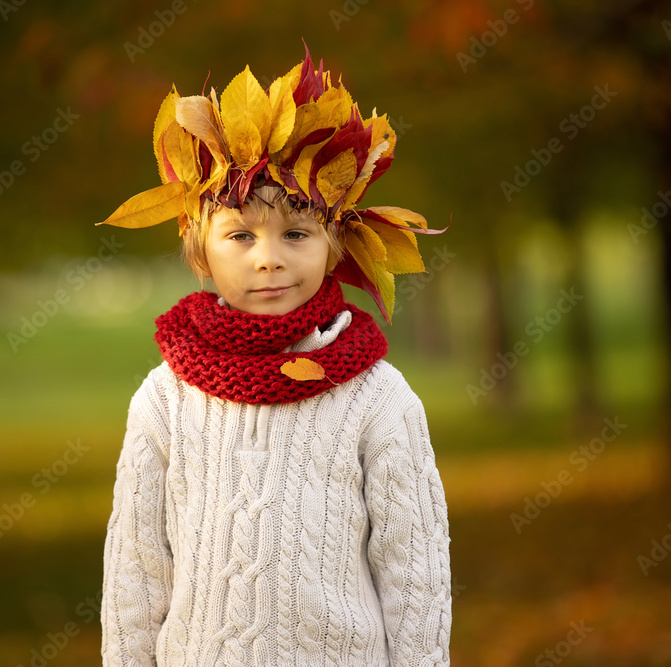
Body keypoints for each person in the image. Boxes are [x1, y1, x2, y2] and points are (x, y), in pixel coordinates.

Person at [98, 44, 452, 666]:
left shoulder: (377, 397)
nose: (268, 257)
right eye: (240, 235)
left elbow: (415, 572)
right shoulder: (167, 396)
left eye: (295, 233)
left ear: (335, 243)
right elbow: (136, 569)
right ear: (200, 247)